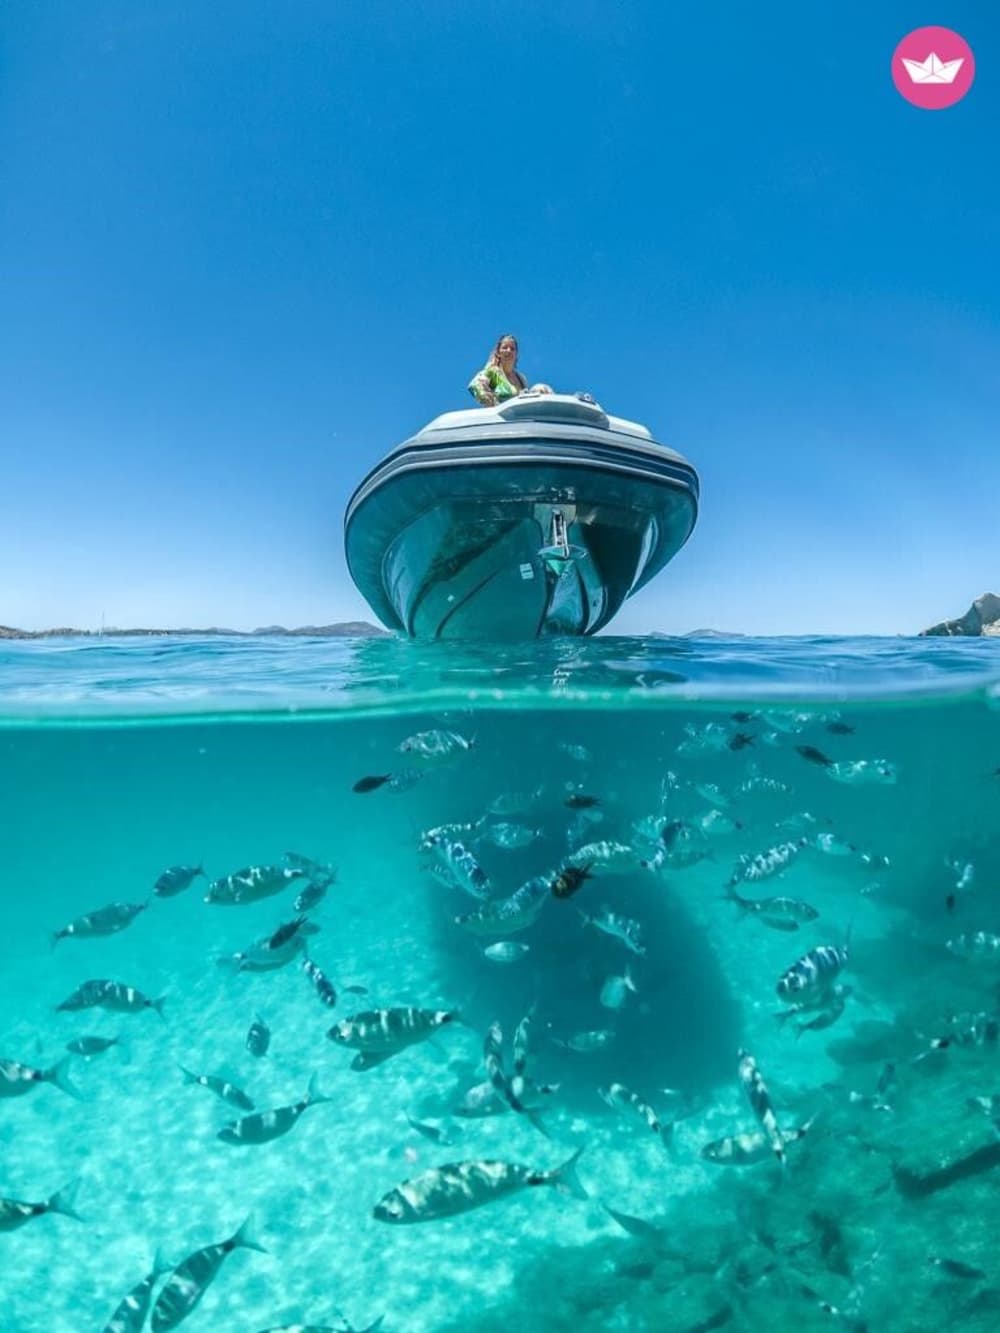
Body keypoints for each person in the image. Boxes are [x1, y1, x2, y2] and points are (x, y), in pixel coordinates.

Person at [467, 335, 554, 406]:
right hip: (502, 418)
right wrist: (493, 405)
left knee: (540, 388)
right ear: (498, 353)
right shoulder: (493, 372)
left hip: (520, 417)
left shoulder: (521, 378)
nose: (509, 351)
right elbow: (475, 385)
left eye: (512, 349)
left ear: (516, 354)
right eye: (505, 348)